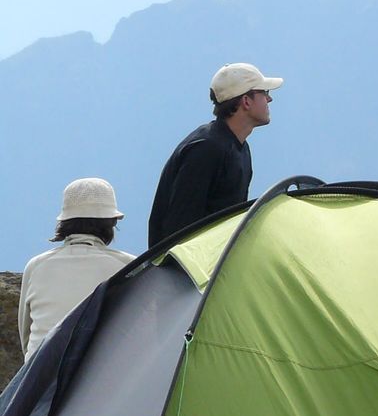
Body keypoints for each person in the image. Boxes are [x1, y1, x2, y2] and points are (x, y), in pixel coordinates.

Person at [148, 62, 283, 246]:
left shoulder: (240, 148)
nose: (269, 100)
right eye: (264, 93)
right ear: (246, 101)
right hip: (185, 270)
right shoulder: (206, 149)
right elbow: (179, 229)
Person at [19, 178, 135, 359]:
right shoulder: (129, 267)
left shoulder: (36, 266)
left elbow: (26, 341)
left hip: (39, 381)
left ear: (64, 223)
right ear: (111, 223)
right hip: (103, 379)